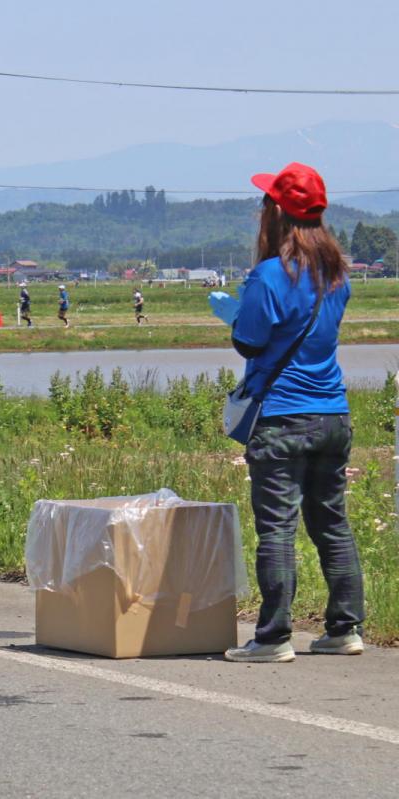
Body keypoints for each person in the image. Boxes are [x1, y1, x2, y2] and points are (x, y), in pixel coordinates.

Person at [214, 162, 364, 663]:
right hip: (333, 414)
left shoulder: (270, 275)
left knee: (276, 527)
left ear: (275, 212)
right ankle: (344, 630)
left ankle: (274, 637)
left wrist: (235, 313)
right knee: (332, 523)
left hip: (282, 416)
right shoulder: (337, 274)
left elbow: (250, 343)